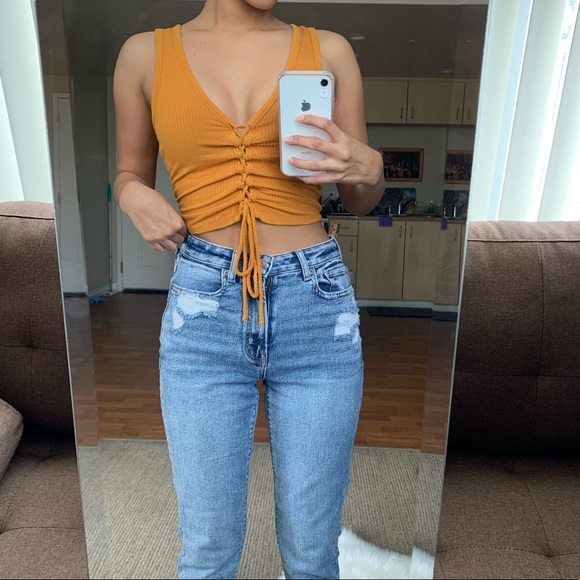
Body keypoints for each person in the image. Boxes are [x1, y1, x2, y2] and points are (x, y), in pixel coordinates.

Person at [113, 0, 383, 578]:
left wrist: (369, 167)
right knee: (207, 550)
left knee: (313, 552)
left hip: (316, 306)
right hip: (202, 307)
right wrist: (132, 194)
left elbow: (362, 197)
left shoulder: (330, 51)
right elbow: (129, 172)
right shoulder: (143, 56)